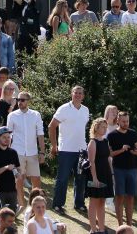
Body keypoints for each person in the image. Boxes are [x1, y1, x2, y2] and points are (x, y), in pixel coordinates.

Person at [49, 86, 89, 214]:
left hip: (82, 150)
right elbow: (51, 126)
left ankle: (79, 204)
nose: (77, 95)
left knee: (81, 179)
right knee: (62, 179)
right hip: (66, 149)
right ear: (71, 94)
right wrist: (54, 146)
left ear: (83, 96)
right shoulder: (64, 108)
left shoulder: (85, 110)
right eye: (75, 93)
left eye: (80, 93)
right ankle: (57, 205)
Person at [6, 91, 45, 209]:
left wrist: (42, 152)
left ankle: (34, 206)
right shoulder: (12, 115)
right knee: (19, 180)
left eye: (22, 100)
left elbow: (40, 134)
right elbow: (8, 135)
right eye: (18, 100)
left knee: (36, 181)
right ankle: (21, 205)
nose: (19, 102)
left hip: (32, 152)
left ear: (28, 101)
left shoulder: (36, 115)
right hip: (17, 151)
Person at [108, 111, 137, 227]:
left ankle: (129, 225)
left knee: (131, 197)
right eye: (123, 121)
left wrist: (136, 151)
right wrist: (122, 150)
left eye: (127, 121)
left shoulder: (133, 133)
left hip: (132, 169)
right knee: (120, 196)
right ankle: (121, 225)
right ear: (117, 121)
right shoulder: (112, 135)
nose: (126, 123)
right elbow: (110, 154)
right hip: (118, 169)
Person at [85, 117, 113, 234]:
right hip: (95, 175)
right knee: (94, 202)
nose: (105, 129)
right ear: (96, 127)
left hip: (106, 174)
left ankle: (101, 229)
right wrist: (95, 178)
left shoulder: (106, 141)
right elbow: (91, 162)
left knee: (102, 202)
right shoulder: (92, 142)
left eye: (106, 127)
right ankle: (93, 229)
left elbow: (108, 158)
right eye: (103, 127)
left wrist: (111, 173)